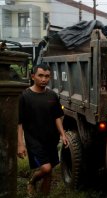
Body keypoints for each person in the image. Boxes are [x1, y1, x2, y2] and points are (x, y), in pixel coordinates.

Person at [17, 64, 68, 196]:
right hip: (34, 139)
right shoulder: (24, 96)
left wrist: (62, 135)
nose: (44, 79)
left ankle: (44, 195)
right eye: (40, 75)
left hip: (51, 138)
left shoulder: (52, 95)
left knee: (49, 172)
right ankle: (32, 181)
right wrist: (20, 144)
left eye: (47, 76)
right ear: (32, 76)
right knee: (46, 168)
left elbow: (57, 117)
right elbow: (20, 122)